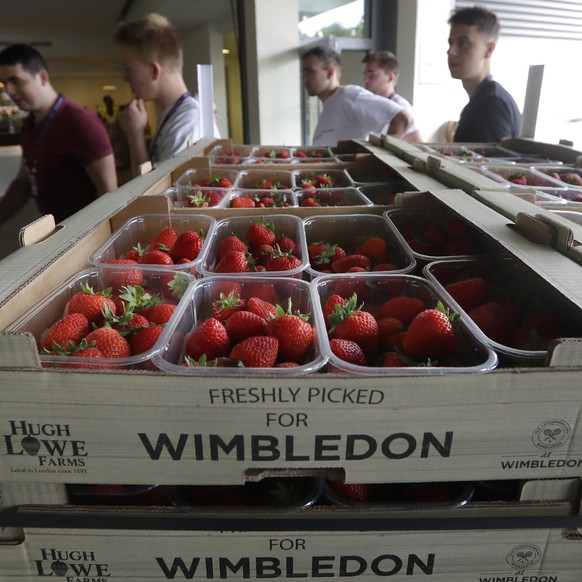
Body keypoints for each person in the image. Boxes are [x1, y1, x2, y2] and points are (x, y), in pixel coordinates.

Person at [0, 44, 117, 225]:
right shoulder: (30, 123)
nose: (9, 91)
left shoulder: (80, 122)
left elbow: (108, 193)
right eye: (5, 83)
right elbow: (24, 181)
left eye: (16, 81)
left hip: (83, 234)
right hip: (56, 228)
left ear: (43, 77)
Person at [113, 13, 220, 177]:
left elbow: (152, 196)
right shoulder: (176, 114)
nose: (125, 77)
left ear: (154, 71)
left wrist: (134, 133)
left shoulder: (187, 125)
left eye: (129, 69)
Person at [302, 46, 413, 147]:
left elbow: (402, 118)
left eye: (310, 72)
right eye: (304, 73)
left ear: (330, 72)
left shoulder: (349, 96)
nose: (304, 79)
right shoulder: (330, 105)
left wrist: (383, 161)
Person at [447, 6, 521, 143]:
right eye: (450, 43)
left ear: (489, 49)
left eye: (463, 43)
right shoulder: (480, 100)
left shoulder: (492, 105)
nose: (451, 51)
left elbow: (492, 164)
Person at [361, 50, 422, 143]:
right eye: (365, 74)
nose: (365, 79)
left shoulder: (403, 109)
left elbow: (419, 146)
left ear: (390, 77)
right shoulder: (366, 105)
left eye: (371, 74)